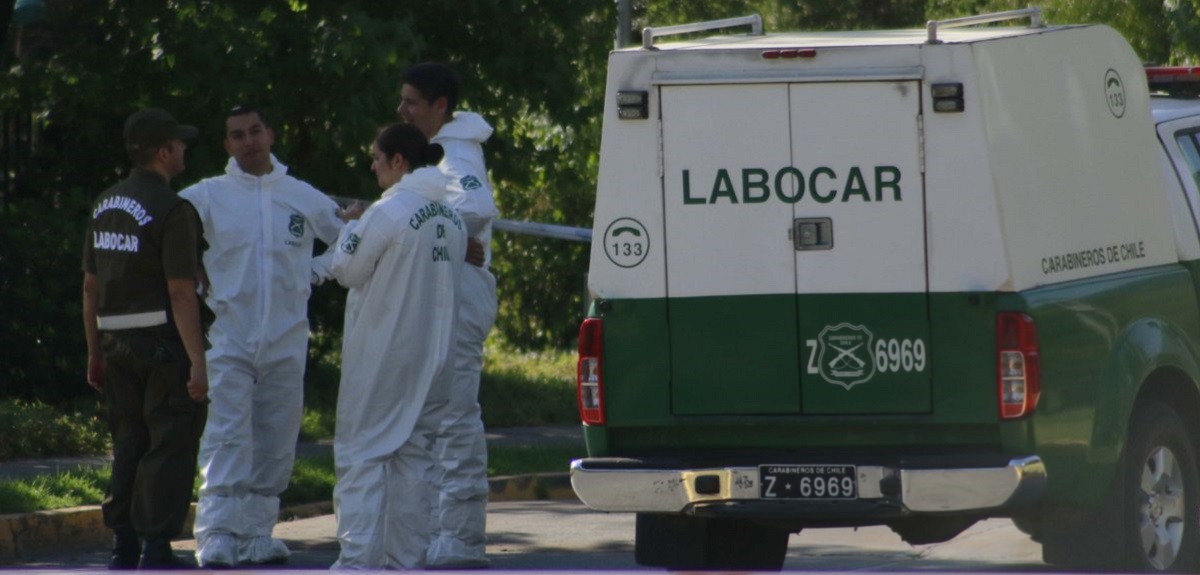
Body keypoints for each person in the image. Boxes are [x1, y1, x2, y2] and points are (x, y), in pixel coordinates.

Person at [181, 104, 356, 567]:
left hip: (287, 336)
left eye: (255, 131)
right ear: (227, 145)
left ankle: (257, 533)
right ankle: (216, 533)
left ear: (270, 135)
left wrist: (313, 272)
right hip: (231, 335)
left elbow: (350, 238)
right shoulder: (206, 196)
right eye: (237, 135)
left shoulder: (301, 195)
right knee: (226, 436)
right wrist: (193, 278)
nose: (248, 142)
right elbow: (166, 233)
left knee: (276, 437)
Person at [330, 123, 466, 569]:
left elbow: (346, 270)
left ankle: (358, 564)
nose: (372, 166)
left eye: (376, 157)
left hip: (385, 358)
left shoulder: (387, 212)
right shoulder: (452, 217)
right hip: (436, 359)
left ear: (398, 162)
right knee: (415, 464)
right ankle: (404, 563)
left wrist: (351, 226)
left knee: (362, 457)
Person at [81, 108, 209, 569]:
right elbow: (181, 289)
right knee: (169, 440)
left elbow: (91, 286)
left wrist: (94, 351)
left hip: (115, 342)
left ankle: (123, 544)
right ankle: (156, 546)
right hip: (161, 343)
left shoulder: (104, 204)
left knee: (128, 440)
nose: (184, 150)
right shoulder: (173, 210)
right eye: (179, 143)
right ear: (163, 151)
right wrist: (198, 360)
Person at [397, 61, 499, 569]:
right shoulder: (436, 153)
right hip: (444, 296)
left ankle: (460, 538)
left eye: (412, 101)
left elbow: (476, 208)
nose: (402, 110)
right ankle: (440, 532)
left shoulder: (456, 151)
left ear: (440, 106)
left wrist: (451, 237)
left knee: (454, 419)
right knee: (435, 418)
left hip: (459, 302)